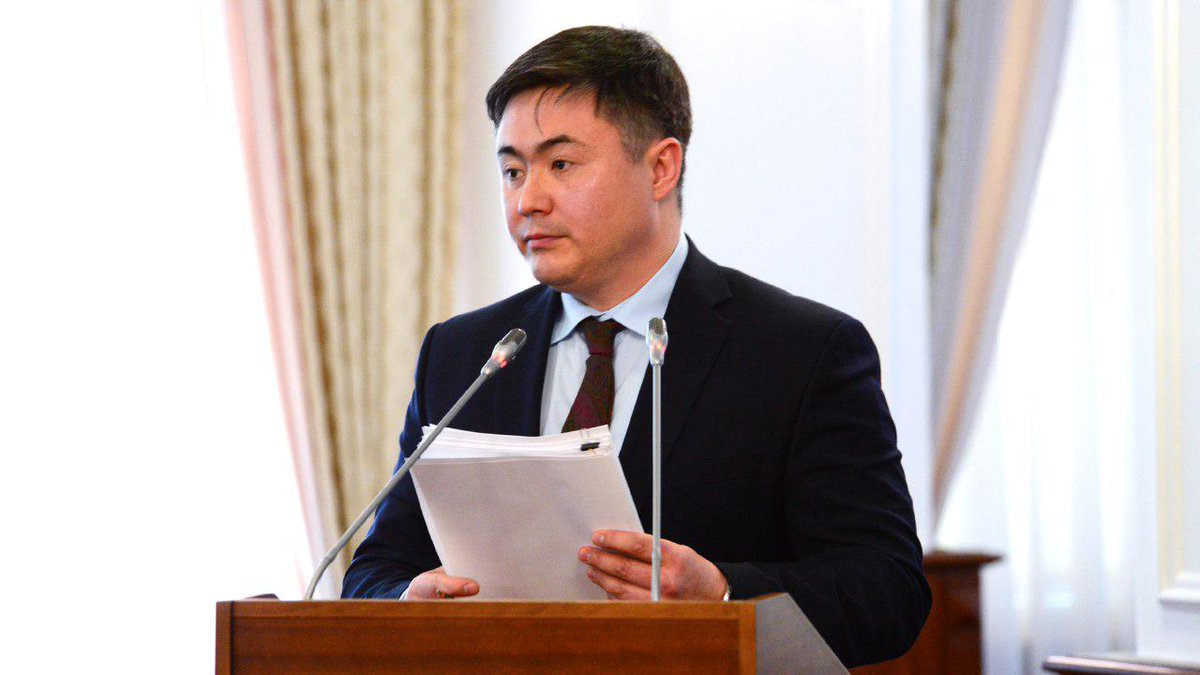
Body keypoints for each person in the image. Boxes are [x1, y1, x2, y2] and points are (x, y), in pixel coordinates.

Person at [342, 25, 930, 668]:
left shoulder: (802, 353)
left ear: (660, 168)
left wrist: (723, 594)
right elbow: (376, 568)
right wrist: (408, 600)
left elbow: (888, 592)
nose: (527, 200)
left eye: (560, 165)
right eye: (512, 170)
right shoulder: (462, 354)